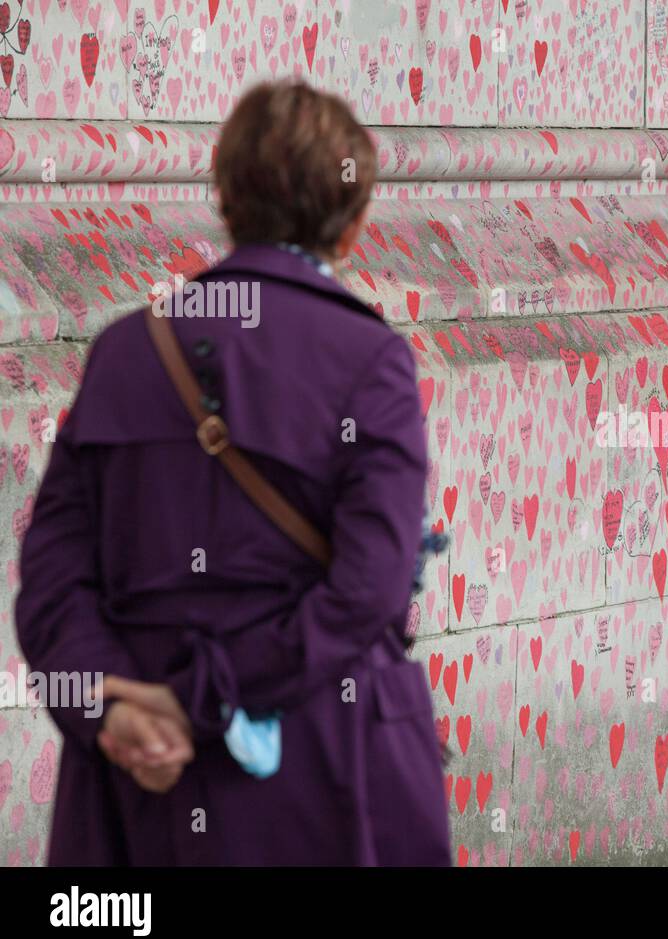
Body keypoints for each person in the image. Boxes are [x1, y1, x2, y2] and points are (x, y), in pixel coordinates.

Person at [15, 80, 452, 865]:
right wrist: (203, 697)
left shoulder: (123, 353)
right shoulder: (371, 362)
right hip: (319, 770)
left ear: (223, 196)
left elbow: (50, 575)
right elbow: (370, 589)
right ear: (355, 225)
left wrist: (112, 704)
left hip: (135, 793)